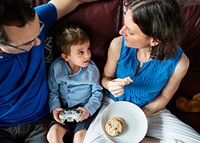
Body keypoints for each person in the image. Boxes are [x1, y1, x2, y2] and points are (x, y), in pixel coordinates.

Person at [83, 0, 200, 143]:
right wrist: (109, 85)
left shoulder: (180, 63)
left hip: (150, 111)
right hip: (114, 104)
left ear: (154, 40)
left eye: (130, 32)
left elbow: (164, 97)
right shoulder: (117, 45)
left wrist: (139, 116)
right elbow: (106, 77)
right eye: (124, 24)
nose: (121, 31)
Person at [0, 0, 98, 142]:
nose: (38, 42)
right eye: (28, 43)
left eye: (38, 30)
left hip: (39, 121)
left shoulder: (36, 18)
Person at [47, 25, 103, 143]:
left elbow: (98, 92)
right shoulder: (56, 67)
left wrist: (88, 109)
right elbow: (53, 92)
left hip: (84, 110)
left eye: (88, 49)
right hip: (63, 110)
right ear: (66, 57)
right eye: (80, 52)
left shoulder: (91, 70)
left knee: (80, 139)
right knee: (53, 136)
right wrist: (55, 108)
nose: (87, 55)